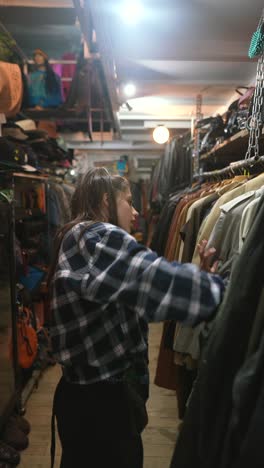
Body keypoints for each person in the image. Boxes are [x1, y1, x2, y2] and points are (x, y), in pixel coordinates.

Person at [48, 167, 224, 468]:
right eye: (129, 201)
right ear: (106, 200)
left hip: (87, 400)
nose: (137, 211)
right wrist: (224, 291)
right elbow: (150, 280)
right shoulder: (97, 237)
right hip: (100, 407)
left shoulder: (77, 236)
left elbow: (135, 291)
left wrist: (194, 280)